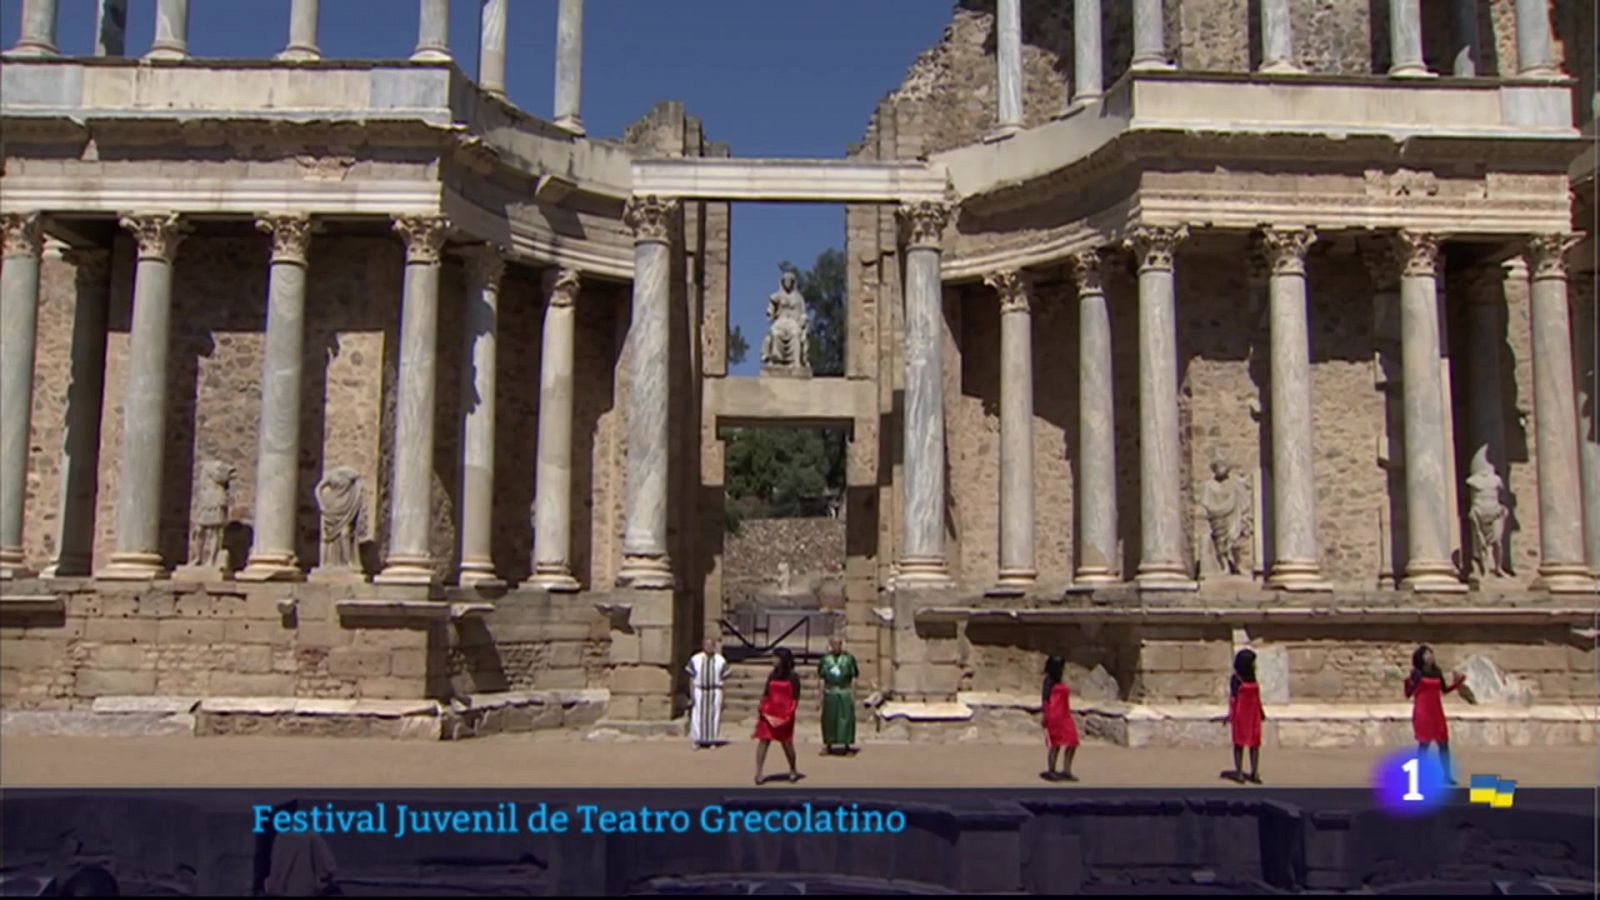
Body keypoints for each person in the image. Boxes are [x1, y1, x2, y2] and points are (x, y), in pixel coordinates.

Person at [1405, 644, 1466, 785]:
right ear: (1420, 657)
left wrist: (1457, 683)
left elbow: (1444, 690)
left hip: (1436, 711)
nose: (1430, 656)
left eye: (1431, 653)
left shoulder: (1437, 672)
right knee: (1424, 746)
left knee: (1444, 744)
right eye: (1427, 654)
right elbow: (1408, 693)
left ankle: (1447, 775)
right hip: (1423, 712)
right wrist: (1409, 682)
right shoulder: (1417, 673)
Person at [754, 647, 801, 784]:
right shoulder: (772, 675)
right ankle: (759, 772)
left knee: (787, 743)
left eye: (776, 657)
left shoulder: (793, 677)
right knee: (764, 741)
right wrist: (761, 706)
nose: (773, 660)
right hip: (769, 711)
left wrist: (789, 713)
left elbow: (795, 697)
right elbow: (766, 692)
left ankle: (792, 769)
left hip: (785, 713)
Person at [1226, 648, 1266, 784]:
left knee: (1255, 743)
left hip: (1253, 712)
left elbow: (1257, 696)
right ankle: (1239, 772)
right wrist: (1230, 715)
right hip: (1241, 713)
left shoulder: (1252, 676)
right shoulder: (1236, 678)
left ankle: (1255, 772)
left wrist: (1261, 711)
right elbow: (1233, 698)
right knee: (1239, 742)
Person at [1040, 656, 1079, 781]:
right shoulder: (1048, 681)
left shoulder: (1059, 680)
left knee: (1073, 741)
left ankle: (1067, 770)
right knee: (1055, 744)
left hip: (1065, 714)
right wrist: (1045, 716)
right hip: (1054, 715)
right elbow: (1045, 700)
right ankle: (1051, 770)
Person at [819, 635, 859, 755]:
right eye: (834, 644)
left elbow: (854, 677)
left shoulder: (849, 658)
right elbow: (821, 677)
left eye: (839, 644)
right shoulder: (825, 659)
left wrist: (853, 693)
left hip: (844, 691)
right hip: (830, 691)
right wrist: (821, 694)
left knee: (845, 719)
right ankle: (828, 744)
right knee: (829, 719)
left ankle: (846, 744)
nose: (836, 646)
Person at [685, 637, 727, 749]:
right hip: (699, 690)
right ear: (703, 646)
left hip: (715, 690)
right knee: (697, 715)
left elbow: (724, 679)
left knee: (714, 715)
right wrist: (692, 693)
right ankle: (697, 740)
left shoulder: (720, 660)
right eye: (706, 645)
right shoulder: (695, 659)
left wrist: (724, 696)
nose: (709, 647)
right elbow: (691, 677)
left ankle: (712, 740)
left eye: (711, 645)